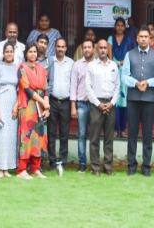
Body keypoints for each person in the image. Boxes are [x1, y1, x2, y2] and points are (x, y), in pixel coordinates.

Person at [122, 26, 154, 177]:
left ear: (150, 39)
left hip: (149, 100)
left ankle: (146, 166)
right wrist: (135, 83)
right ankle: (131, 165)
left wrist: (148, 82)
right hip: (133, 99)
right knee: (132, 134)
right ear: (137, 38)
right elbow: (124, 76)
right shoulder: (129, 54)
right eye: (141, 36)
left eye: (146, 37)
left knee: (147, 134)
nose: (143, 39)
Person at [86, 39, 120, 175]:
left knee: (109, 138)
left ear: (108, 49)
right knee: (94, 138)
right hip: (96, 104)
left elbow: (117, 86)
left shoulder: (114, 65)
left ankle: (108, 167)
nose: (103, 50)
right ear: (96, 49)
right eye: (100, 48)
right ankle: (95, 168)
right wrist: (99, 104)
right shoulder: (91, 66)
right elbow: (88, 87)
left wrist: (112, 103)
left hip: (111, 104)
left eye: (105, 48)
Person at [16, 43, 50, 179]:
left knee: (39, 136)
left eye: (35, 52)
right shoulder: (22, 68)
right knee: (27, 136)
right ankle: (22, 170)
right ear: (26, 54)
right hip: (28, 105)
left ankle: (36, 168)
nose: (33, 54)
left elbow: (46, 89)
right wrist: (43, 102)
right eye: (30, 51)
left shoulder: (41, 69)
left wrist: (46, 105)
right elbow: (27, 89)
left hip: (41, 106)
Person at [0, 42, 20, 177]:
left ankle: (7, 168)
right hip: (0, 102)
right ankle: (0, 168)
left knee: (10, 136)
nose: (9, 54)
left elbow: (21, 89)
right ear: (3, 53)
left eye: (11, 51)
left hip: (12, 103)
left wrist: (16, 106)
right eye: (7, 51)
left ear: (14, 53)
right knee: (0, 135)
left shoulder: (17, 68)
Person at [47, 38, 74, 174]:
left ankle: (63, 161)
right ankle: (52, 161)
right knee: (51, 132)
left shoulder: (71, 63)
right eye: (58, 46)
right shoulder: (50, 61)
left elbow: (73, 83)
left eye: (63, 47)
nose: (60, 49)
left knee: (64, 133)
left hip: (66, 102)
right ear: (55, 47)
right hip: (52, 100)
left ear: (66, 48)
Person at [108, 17, 135, 137]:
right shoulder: (110, 38)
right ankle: (114, 129)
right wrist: (116, 63)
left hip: (125, 71)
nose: (119, 27)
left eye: (122, 25)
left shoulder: (129, 40)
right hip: (113, 70)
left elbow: (132, 54)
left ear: (125, 27)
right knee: (114, 99)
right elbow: (109, 57)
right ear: (115, 26)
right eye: (118, 25)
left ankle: (123, 128)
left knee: (124, 100)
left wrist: (124, 62)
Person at [71, 39, 95, 172]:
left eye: (89, 47)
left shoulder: (98, 64)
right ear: (82, 49)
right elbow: (73, 86)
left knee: (94, 135)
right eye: (84, 47)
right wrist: (73, 106)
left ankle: (94, 164)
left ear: (93, 49)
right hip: (81, 104)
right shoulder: (77, 65)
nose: (86, 49)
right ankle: (82, 163)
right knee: (82, 134)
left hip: (95, 105)